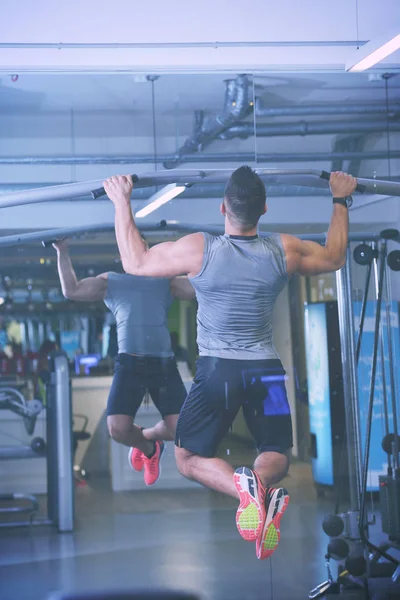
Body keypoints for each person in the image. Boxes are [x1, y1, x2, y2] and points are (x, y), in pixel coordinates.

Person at [103, 166, 357, 559]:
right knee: (277, 452)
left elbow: (135, 263)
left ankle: (245, 487)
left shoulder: (201, 249)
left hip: (218, 373)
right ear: (265, 209)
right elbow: (335, 256)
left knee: (187, 458)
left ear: (222, 207)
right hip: (268, 373)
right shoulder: (283, 248)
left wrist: (122, 201)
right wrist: (339, 200)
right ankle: (260, 490)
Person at [52, 239, 195, 486]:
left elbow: (200, 288)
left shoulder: (165, 280)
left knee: (182, 431)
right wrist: (62, 252)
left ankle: (149, 438)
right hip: (130, 364)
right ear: (124, 255)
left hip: (163, 364)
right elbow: (72, 290)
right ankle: (148, 448)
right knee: (117, 429)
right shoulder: (112, 281)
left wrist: (199, 256)